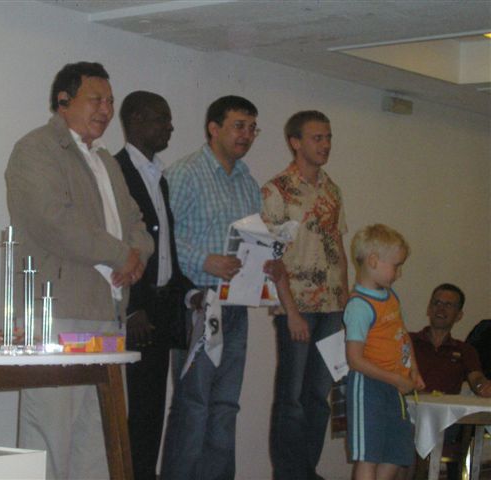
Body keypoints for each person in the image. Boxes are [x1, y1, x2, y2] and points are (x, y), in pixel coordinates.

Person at [5, 62, 153, 479]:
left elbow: (137, 222)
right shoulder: (35, 149)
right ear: (63, 101)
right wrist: (120, 254)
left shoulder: (105, 160)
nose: (106, 109)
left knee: (99, 438)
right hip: (57, 314)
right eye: (96, 100)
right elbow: (54, 221)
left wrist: (136, 256)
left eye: (110, 101)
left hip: (107, 313)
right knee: (50, 435)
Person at [160, 95, 284, 480]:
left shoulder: (248, 182)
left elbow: (251, 241)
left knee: (226, 405)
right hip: (199, 303)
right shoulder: (185, 173)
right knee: (194, 403)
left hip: (236, 305)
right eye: (238, 126)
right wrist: (206, 260)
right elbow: (163, 239)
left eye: (252, 128)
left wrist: (266, 261)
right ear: (213, 129)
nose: (246, 135)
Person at [114, 90, 200, 480]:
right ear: (135, 120)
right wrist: (132, 306)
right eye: (161, 118)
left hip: (163, 307)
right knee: (136, 410)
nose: (170, 126)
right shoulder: (117, 172)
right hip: (137, 310)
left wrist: (189, 291)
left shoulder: (158, 177)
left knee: (152, 410)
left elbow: (165, 249)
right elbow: (116, 244)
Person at [261, 110, 348, 480]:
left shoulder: (332, 189)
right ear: (295, 142)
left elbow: (338, 247)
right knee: (292, 398)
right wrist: (291, 311)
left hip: (332, 307)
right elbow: (272, 258)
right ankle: (289, 474)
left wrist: (347, 302)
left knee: (319, 396)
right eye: (317, 138)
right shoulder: (277, 190)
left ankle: (306, 472)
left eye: (328, 137)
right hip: (296, 306)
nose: (325, 144)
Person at [344, 224, 425, 480]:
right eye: (396, 266)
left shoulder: (390, 297)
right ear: (373, 261)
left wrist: (413, 369)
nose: (399, 273)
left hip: (395, 388)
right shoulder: (359, 306)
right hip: (369, 389)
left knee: (396, 453)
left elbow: (402, 335)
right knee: (369, 455)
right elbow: (354, 359)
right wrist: (395, 378)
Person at [408, 284, 491, 480]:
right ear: (429, 308)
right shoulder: (408, 341)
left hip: (445, 425)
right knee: (404, 434)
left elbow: (476, 379)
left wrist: (483, 386)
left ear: (459, 315)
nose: (441, 309)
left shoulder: (465, 350)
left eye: (449, 305)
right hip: (408, 415)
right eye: (437, 303)